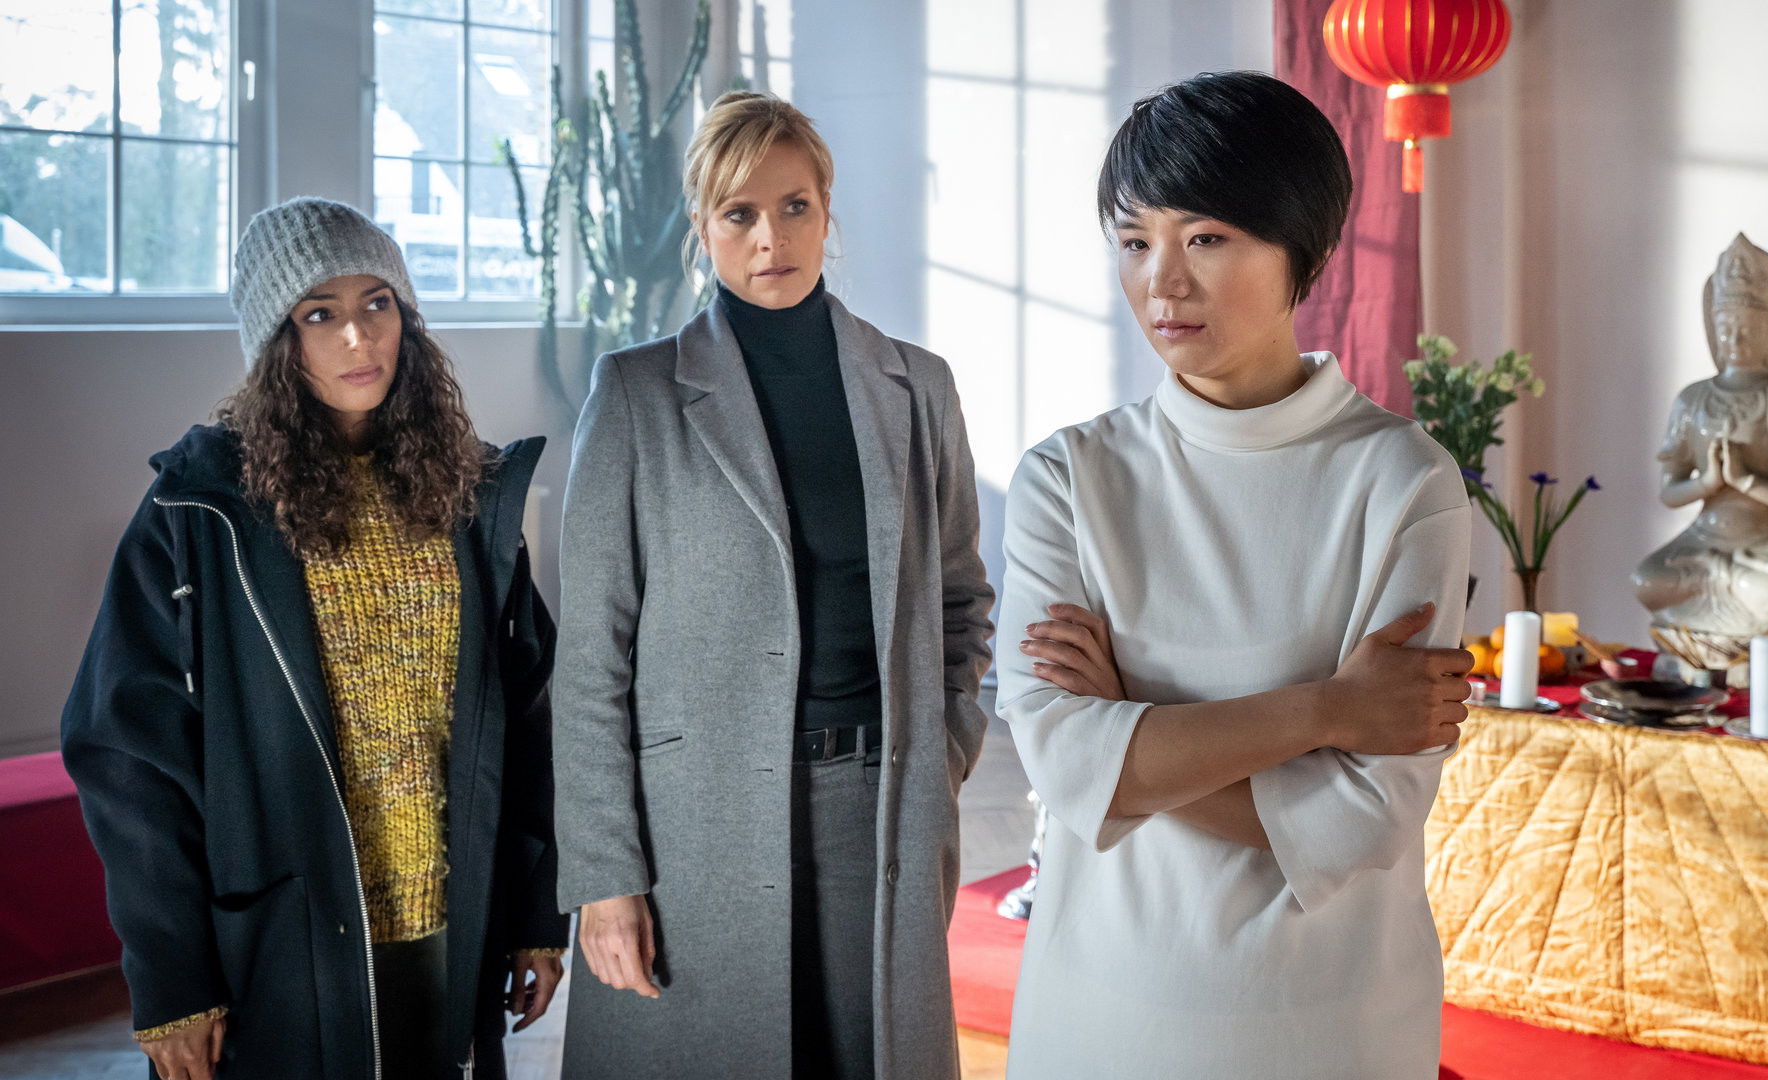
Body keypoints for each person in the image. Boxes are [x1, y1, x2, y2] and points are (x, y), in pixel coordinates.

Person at [996, 72, 1475, 1078]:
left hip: (1329, 1028)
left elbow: (1366, 816)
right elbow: (1064, 765)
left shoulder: (1403, 482)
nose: (1163, 282)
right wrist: (1330, 711)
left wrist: (1128, 728)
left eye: (1206, 238)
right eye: (1136, 242)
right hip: (1100, 1017)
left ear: (1306, 249)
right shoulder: (1068, 480)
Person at [62, 196, 567, 1080]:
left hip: (454, 932)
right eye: (319, 314)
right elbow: (126, 755)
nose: (358, 337)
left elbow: (525, 717)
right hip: (283, 947)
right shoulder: (200, 508)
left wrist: (534, 912)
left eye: (377, 303)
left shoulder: (466, 494)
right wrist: (172, 978)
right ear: (275, 341)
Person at [551, 91, 994, 1080]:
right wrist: (604, 876)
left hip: (879, 807)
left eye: (794, 207)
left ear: (827, 210)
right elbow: (589, 663)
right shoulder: (635, 395)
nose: (770, 239)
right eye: (740, 213)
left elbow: (961, 598)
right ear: (702, 226)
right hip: (694, 821)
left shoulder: (918, 388)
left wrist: (945, 747)